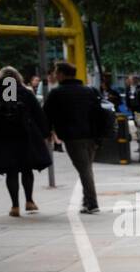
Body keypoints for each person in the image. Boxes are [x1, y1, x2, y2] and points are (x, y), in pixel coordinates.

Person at [0, 66, 51, 217]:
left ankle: (15, 206)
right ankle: (30, 201)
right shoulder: (26, 93)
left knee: (11, 171)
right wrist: (45, 133)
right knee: (26, 169)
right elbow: (39, 114)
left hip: (3, 136)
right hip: (25, 136)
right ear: (18, 79)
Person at [43, 61, 104, 214]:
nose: (55, 75)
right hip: (92, 136)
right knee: (86, 167)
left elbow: (46, 115)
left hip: (73, 137)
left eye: (57, 72)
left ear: (62, 74)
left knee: (84, 169)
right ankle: (87, 200)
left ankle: (92, 203)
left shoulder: (57, 93)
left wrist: (47, 132)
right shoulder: (89, 91)